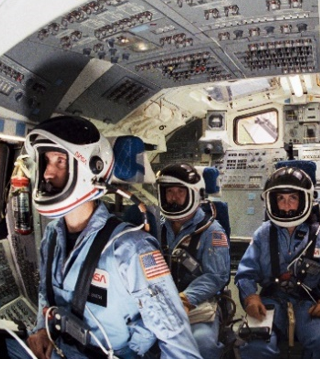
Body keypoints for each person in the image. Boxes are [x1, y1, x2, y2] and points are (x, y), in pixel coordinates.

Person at [25, 116, 200, 359]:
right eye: (45, 161)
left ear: (92, 168)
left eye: (60, 161)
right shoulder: (51, 237)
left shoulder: (131, 248)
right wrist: (42, 328)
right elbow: (47, 294)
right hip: (59, 349)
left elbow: (176, 339)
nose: (47, 173)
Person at [235, 166, 320, 358]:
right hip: (271, 301)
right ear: (272, 202)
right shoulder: (263, 234)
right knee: (254, 347)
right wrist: (251, 297)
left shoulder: (319, 236)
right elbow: (246, 273)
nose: (286, 206)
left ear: (303, 200)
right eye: (281, 199)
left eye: (292, 199)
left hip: (308, 303)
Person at [156, 163, 231, 358]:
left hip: (199, 304)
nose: (173, 197)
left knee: (202, 343)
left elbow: (216, 276)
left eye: (180, 191)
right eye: (169, 191)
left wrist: (186, 299)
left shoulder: (212, 231)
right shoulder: (158, 227)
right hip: (159, 301)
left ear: (194, 193)